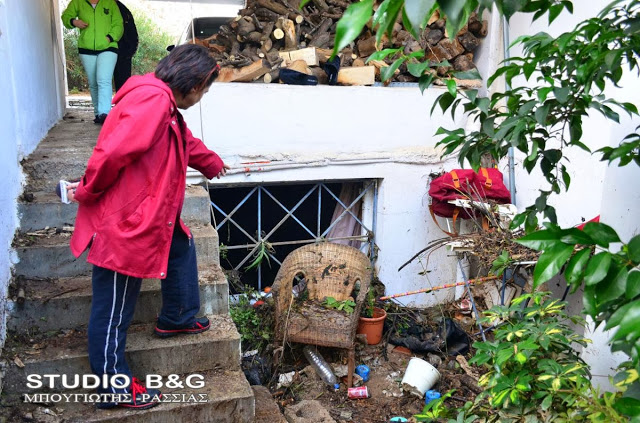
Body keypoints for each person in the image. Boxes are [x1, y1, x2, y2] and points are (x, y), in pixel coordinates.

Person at [66, 44, 229, 409]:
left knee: (181, 247)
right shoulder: (152, 102)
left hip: (154, 212)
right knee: (114, 308)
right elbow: (111, 153)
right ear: (191, 83)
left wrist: (211, 163)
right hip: (127, 221)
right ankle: (113, 385)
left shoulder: (163, 103)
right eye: (204, 90)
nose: (202, 97)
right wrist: (88, 190)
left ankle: (177, 317)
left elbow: (183, 142)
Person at [62, 0, 123, 124]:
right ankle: (98, 114)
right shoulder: (77, 2)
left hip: (108, 47)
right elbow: (65, 17)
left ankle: (104, 113)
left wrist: (110, 38)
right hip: (86, 49)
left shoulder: (110, 3)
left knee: (103, 79)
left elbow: (118, 24)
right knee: (93, 83)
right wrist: (74, 21)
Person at [114, 1, 138, 92]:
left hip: (123, 51)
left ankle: (122, 103)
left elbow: (131, 32)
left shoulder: (122, 9)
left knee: (122, 83)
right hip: (121, 50)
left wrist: (129, 51)